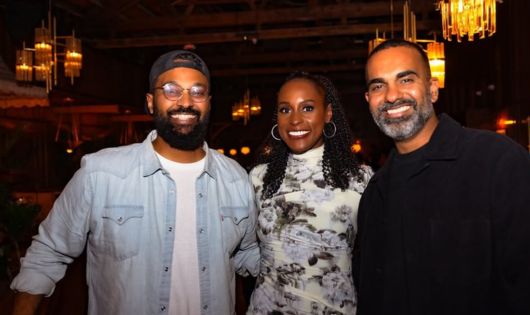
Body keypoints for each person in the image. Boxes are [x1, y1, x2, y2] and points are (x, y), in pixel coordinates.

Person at [10, 50, 259, 315]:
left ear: (208, 102)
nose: (185, 101)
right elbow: (48, 253)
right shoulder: (100, 174)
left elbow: (248, 253)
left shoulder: (236, 179)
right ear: (151, 102)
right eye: (171, 90)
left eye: (197, 91)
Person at [353, 39, 530, 314]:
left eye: (406, 79)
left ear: (432, 90)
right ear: (368, 101)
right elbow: (373, 295)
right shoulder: (375, 193)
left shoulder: (499, 163)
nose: (392, 95)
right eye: (378, 86)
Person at [246, 71, 372, 314]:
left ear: (328, 113)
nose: (294, 119)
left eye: (307, 108)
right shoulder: (259, 178)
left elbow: (376, 258)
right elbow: (247, 247)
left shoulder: (359, 180)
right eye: (285, 109)